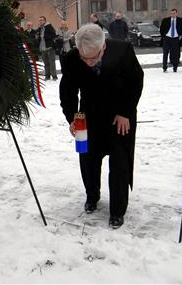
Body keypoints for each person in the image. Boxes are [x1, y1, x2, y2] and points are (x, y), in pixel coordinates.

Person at [60, 24, 143, 229]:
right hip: (86, 116)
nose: (88, 63)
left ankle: (117, 209)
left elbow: (136, 81)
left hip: (119, 116)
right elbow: (67, 91)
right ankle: (92, 196)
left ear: (103, 47)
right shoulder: (71, 58)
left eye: (93, 58)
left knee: (119, 164)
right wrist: (72, 118)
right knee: (86, 159)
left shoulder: (122, 50)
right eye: (84, 58)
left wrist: (125, 112)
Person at [37, 16, 58, 81]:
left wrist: (44, 36)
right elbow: (39, 37)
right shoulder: (40, 28)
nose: (40, 21)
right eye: (39, 20)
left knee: (52, 62)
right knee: (46, 63)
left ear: (45, 21)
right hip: (43, 48)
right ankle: (47, 76)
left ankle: (54, 76)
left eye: (42, 20)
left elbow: (53, 35)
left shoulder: (49, 27)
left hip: (50, 47)